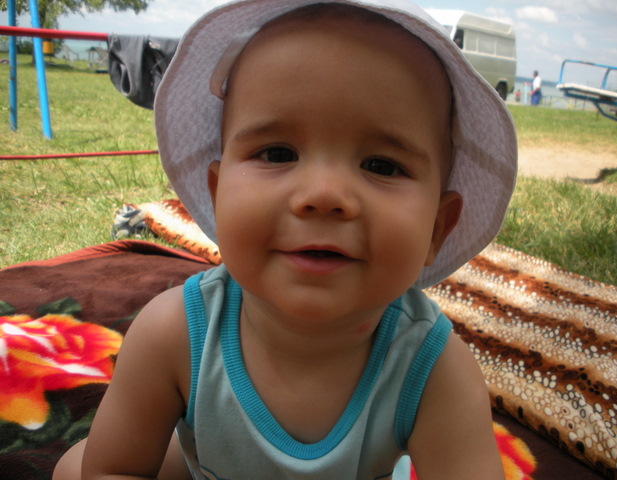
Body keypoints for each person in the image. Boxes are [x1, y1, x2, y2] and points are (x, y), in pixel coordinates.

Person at [53, 0, 517, 478]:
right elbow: (113, 469)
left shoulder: (431, 368)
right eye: (277, 153)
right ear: (217, 195)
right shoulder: (175, 334)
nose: (324, 194)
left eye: (381, 165)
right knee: (75, 468)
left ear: (437, 228)